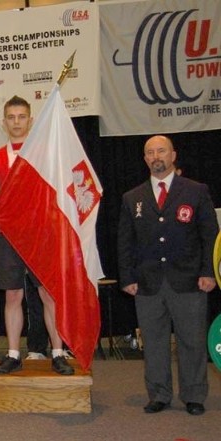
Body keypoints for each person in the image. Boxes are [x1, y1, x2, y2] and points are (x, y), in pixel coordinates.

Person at [118, 135, 218, 416]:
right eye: (150, 152)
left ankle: (194, 394)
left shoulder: (196, 191)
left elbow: (210, 236)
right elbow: (125, 242)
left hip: (189, 280)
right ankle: (159, 394)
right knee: (155, 342)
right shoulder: (132, 197)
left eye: (161, 150)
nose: (156, 156)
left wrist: (209, 272)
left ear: (173, 155)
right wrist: (126, 278)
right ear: (145, 159)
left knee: (192, 340)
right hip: (148, 283)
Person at [0, 95, 74, 376]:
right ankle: (13, 353)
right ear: (4, 122)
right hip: (9, 237)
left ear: (30, 121)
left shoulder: (45, 153)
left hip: (42, 236)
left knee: (48, 295)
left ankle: (57, 353)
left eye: (21, 117)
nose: (16, 122)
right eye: (11, 117)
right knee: (13, 296)